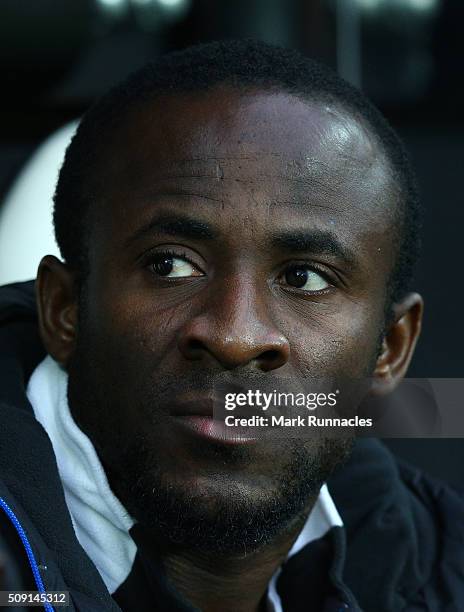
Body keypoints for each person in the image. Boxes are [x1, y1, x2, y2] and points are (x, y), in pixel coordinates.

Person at [0, 39, 462, 612]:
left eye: (305, 278)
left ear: (390, 349)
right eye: (170, 265)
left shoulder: (442, 573)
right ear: (64, 310)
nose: (235, 337)